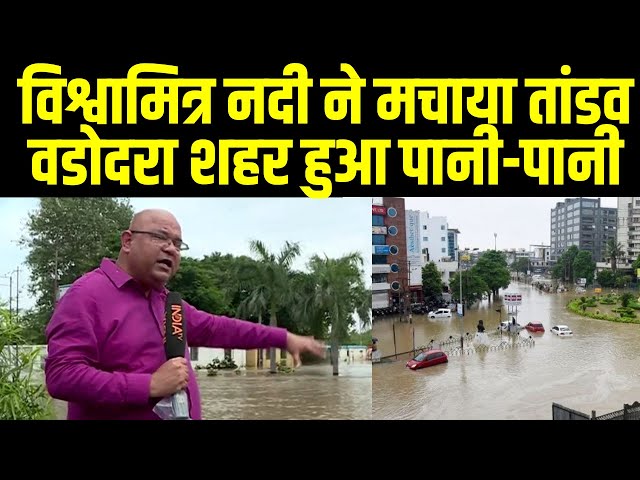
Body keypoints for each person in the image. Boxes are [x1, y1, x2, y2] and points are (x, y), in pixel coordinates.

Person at [44, 209, 326, 420]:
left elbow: (219, 328)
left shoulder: (167, 303)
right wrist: (149, 385)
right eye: (160, 237)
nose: (171, 248)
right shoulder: (87, 294)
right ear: (128, 241)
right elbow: (62, 375)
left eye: (178, 244)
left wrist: (284, 338)